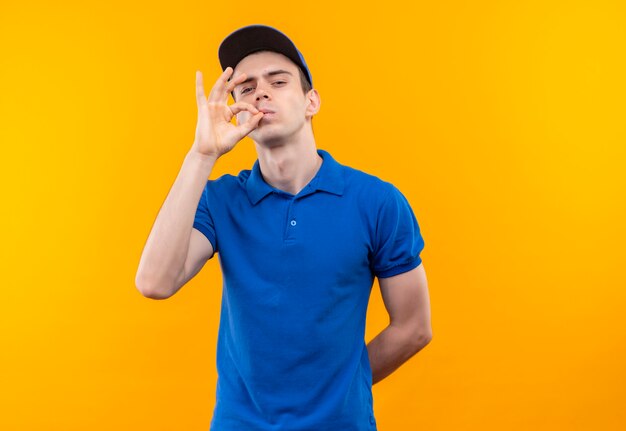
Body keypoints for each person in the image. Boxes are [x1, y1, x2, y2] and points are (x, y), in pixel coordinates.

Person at [135, 24, 432, 431]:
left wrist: (346, 384)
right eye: (246, 87)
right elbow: (154, 282)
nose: (261, 92)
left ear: (312, 101)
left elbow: (414, 327)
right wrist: (202, 154)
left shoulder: (377, 202)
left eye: (278, 81)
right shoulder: (220, 200)